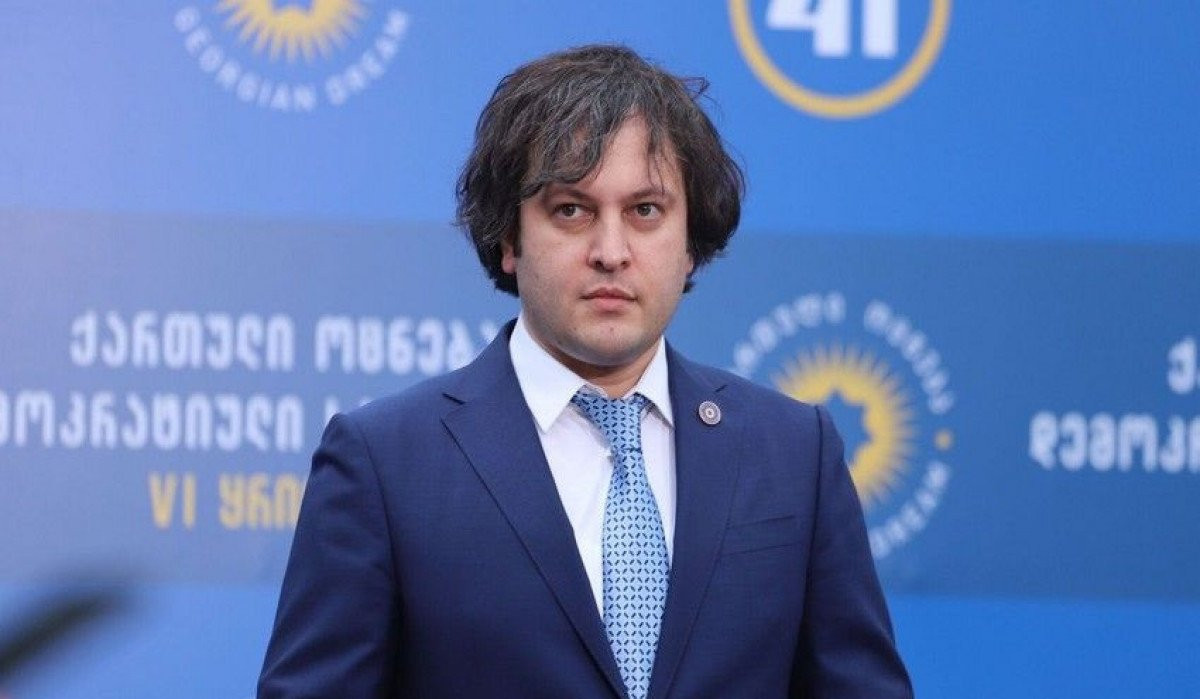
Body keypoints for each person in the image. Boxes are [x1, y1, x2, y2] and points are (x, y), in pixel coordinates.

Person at [258, 44, 912, 699]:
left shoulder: (795, 452)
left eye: (645, 211)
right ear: (509, 237)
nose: (611, 252)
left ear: (690, 242)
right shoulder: (385, 463)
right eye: (571, 209)